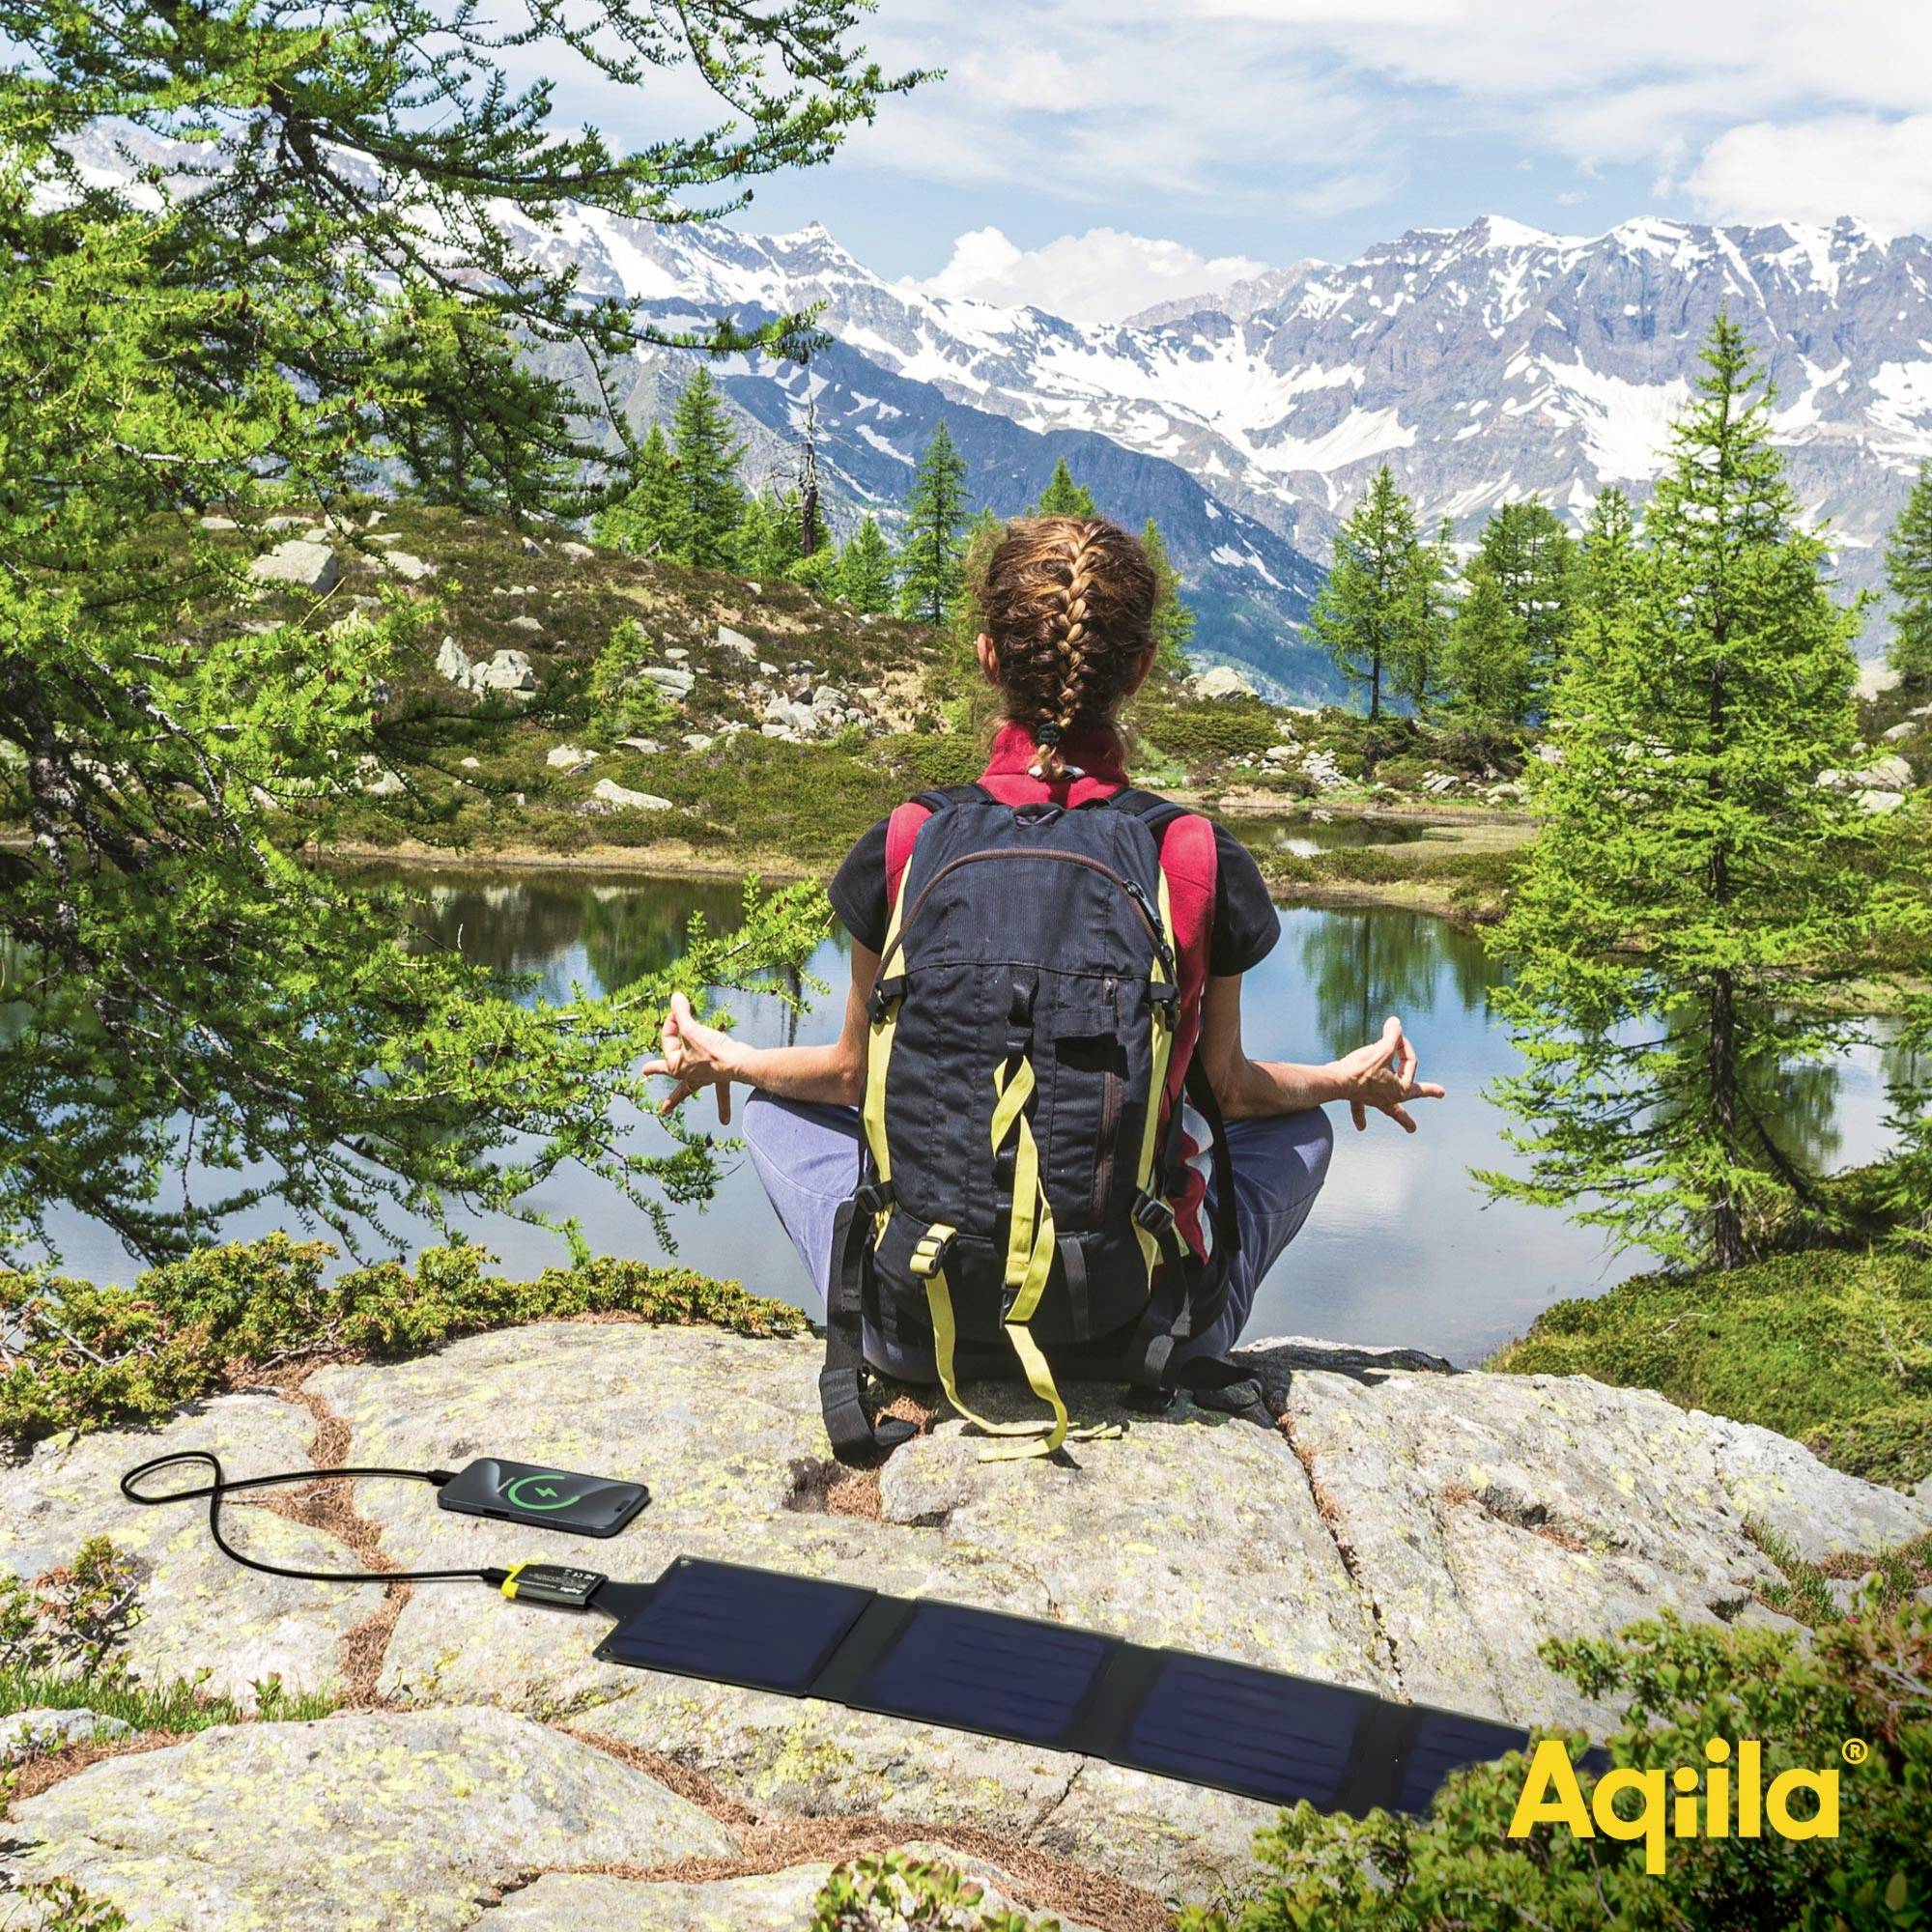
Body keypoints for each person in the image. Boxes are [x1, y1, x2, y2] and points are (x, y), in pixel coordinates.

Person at [646, 514, 1443, 1377]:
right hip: (1136, 1334)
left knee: (776, 1108)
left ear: (988, 656)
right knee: (1302, 1133)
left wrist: (729, 1060)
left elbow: (850, 1076)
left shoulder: (911, 837)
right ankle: (1170, 1308)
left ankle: (905, 1304)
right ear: (1139, 669)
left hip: (919, 1329)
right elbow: (1233, 1092)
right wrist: (1342, 1080)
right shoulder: (1191, 853)